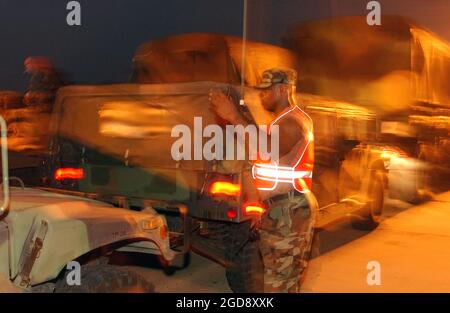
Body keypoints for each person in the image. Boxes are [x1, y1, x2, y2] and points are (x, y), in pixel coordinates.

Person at [209, 68, 316, 293]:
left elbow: (269, 150)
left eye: (267, 90)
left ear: (283, 89)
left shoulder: (294, 121)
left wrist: (235, 117)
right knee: (275, 280)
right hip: (277, 209)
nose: (261, 95)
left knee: (280, 284)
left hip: (291, 210)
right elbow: (257, 161)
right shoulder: (276, 122)